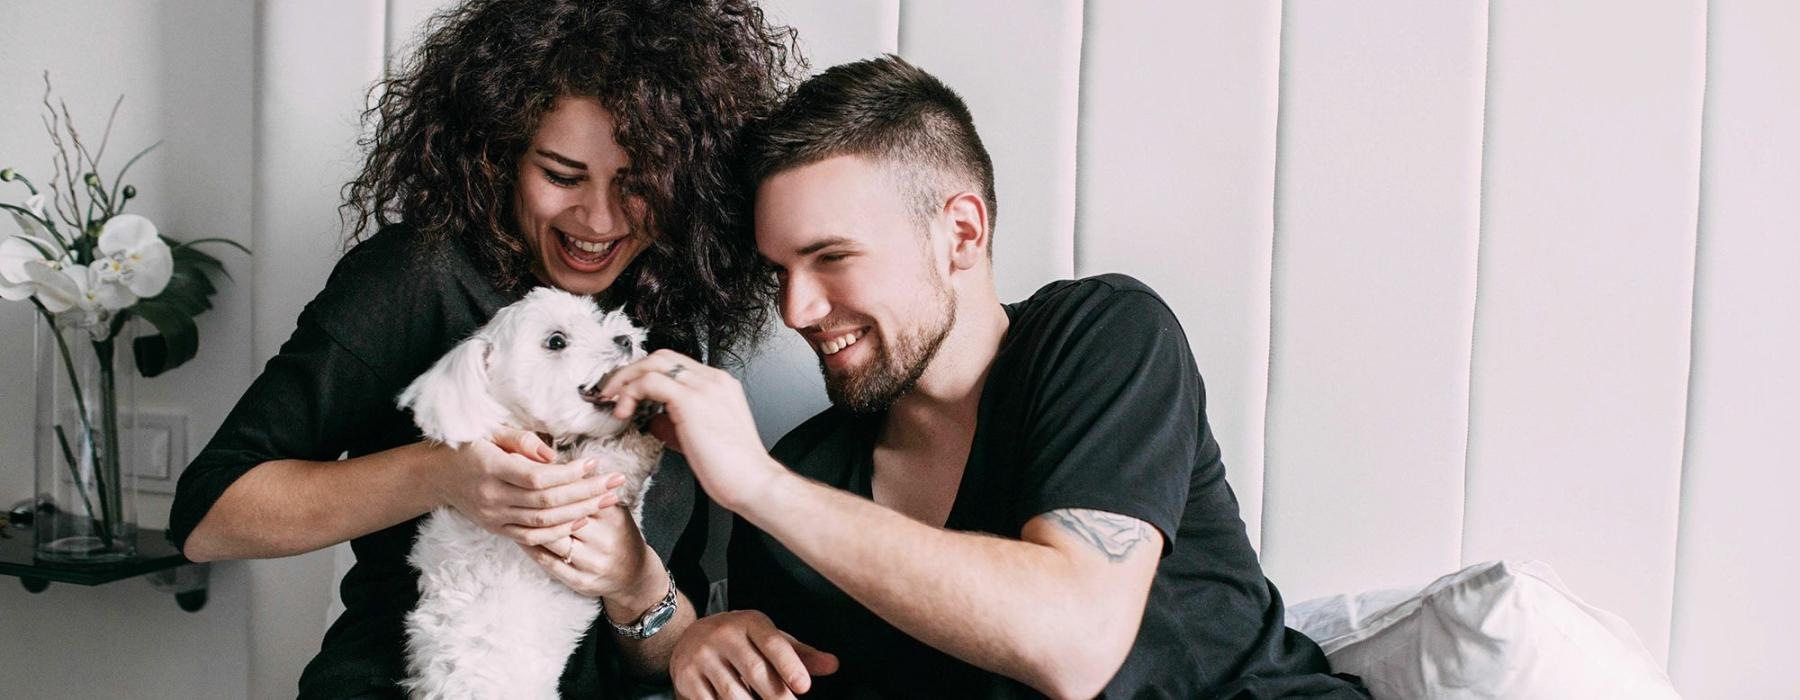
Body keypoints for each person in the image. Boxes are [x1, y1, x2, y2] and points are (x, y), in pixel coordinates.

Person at [595, 56, 1372, 698]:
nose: (796, 309)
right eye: (780, 272)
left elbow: (1075, 644)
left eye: (831, 257)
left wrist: (758, 486)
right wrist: (716, 641)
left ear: (961, 233)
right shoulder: (807, 479)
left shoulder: (1102, 336)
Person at [167, 1, 800, 697]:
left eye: (638, 184)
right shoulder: (420, 276)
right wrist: (442, 475)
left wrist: (636, 584)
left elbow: (657, 657)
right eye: (562, 175)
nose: (598, 220)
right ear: (500, 154)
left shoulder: (668, 321)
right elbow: (207, 519)